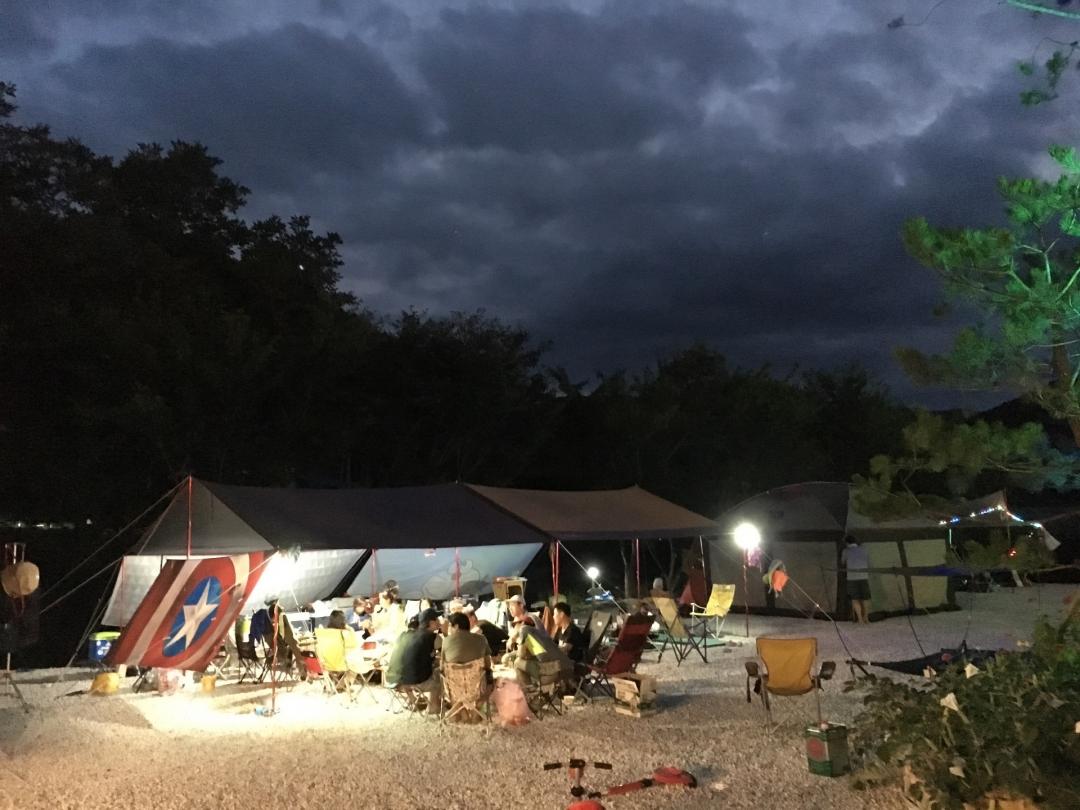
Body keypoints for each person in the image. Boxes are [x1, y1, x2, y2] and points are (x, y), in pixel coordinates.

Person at [384, 607, 443, 714]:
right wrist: (446, 633)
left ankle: (413, 700)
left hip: (394, 680)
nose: (440, 622)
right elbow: (447, 655)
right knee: (441, 673)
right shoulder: (434, 637)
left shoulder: (405, 635)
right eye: (437, 619)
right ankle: (433, 706)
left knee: (413, 667)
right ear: (431, 622)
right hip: (416, 683)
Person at [841, 535, 871, 624]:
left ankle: (860, 619)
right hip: (864, 576)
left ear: (847, 543)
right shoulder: (864, 549)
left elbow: (843, 562)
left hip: (852, 578)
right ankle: (866, 617)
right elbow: (868, 562)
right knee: (865, 598)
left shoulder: (846, 551)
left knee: (855, 599)